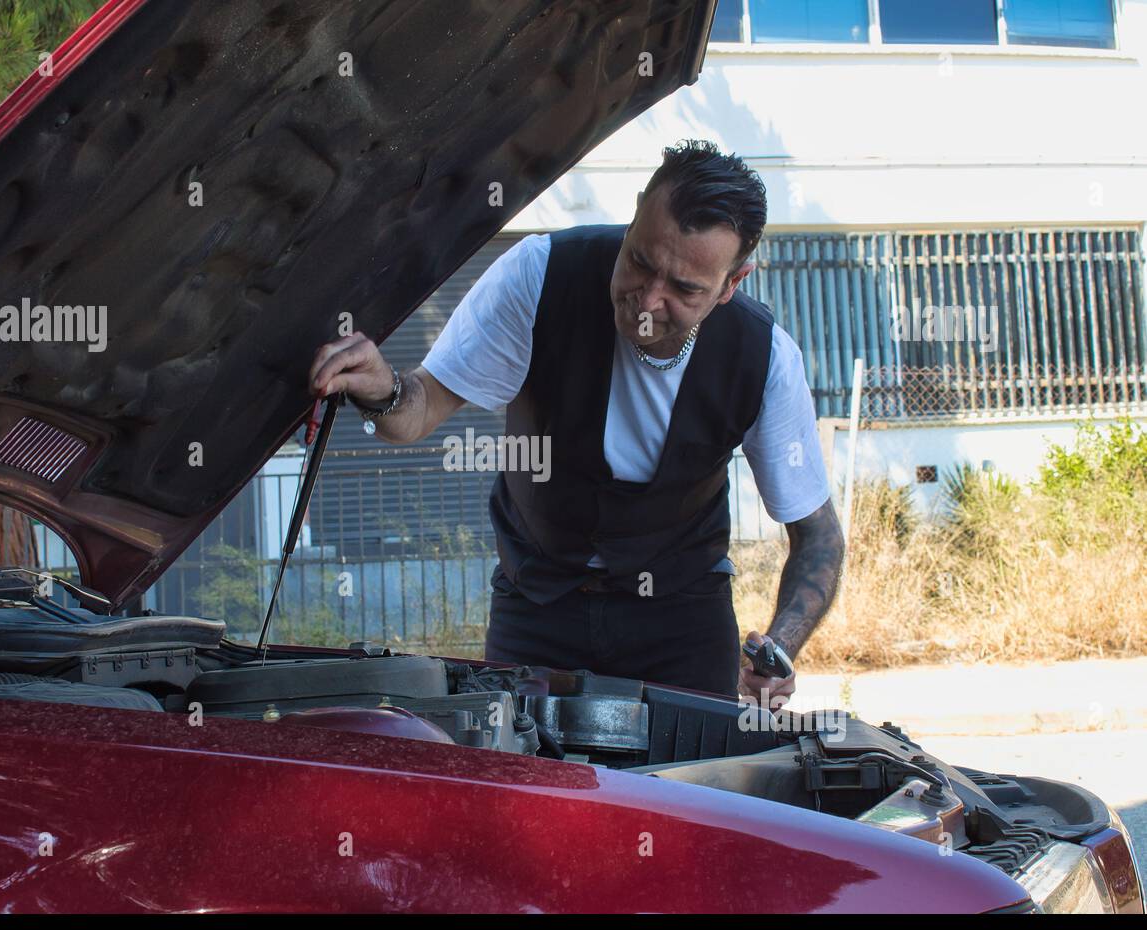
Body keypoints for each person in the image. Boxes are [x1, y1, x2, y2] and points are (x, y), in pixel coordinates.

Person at [308, 140, 843, 707]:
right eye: (640, 261)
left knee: (689, 790)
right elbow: (415, 411)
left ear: (732, 284)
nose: (647, 301)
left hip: (682, 618)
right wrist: (382, 389)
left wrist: (780, 648)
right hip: (537, 603)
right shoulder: (538, 275)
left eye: (684, 289)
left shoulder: (764, 357)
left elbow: (818, 534)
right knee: (518, 790)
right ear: (637, 211)